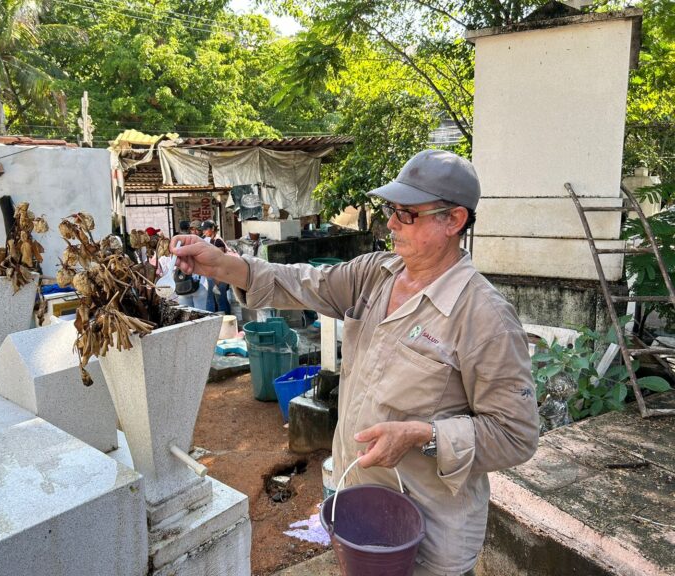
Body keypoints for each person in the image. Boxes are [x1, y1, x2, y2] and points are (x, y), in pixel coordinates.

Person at [172, 149, 539, 576]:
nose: (391, 223)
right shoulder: (375, 274)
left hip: (428, 538)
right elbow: (303, 283)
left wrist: (424, 433)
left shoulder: (484, 317)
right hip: (359, 510)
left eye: (407, 213)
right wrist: (225, 266)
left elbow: (516, 434)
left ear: (453, 221)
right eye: (391, 209)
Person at [200, 220, 231, 314]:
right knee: (219, 299)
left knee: (219, 300)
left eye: (206, 229)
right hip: (215, 274)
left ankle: (224, 321)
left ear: (212, 229)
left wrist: (217, 279)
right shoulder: (213, 240)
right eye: (203, 230)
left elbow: (219, 260)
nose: (204, 232)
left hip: (219, 276)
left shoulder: (218, 241)